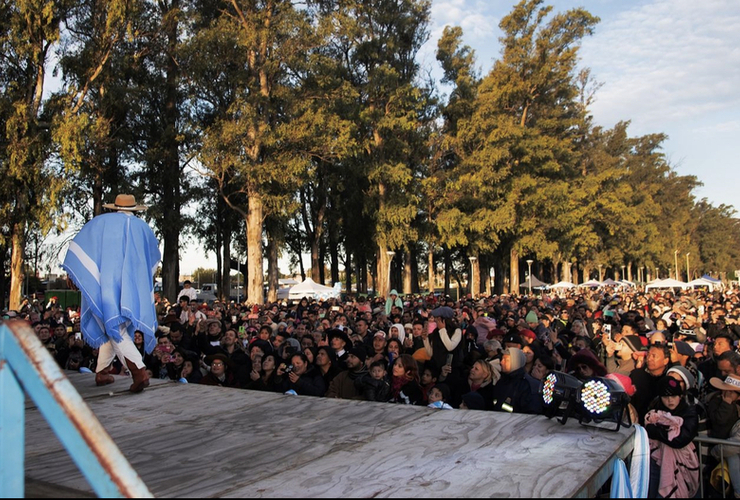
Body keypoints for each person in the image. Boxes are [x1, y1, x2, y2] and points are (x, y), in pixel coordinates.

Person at [61, 194, 160, 393]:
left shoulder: (100, 222)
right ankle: (102, 372)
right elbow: (154, 260)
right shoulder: (143, 228)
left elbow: (79, 247)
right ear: (134, 208)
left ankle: (139, 371)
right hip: (131, 284)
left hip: (105, 283)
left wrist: (73, 273)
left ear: (114, 207)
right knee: (112, 326)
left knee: (114, 327)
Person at [644, 376, 700, 498]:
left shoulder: (689, 411)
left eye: (674, 396)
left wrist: (656, 431)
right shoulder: (655, 411)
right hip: (656, 461)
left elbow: (680, 439)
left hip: (683, 463)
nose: (670, 400)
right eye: (665, 397)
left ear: (680, 396)